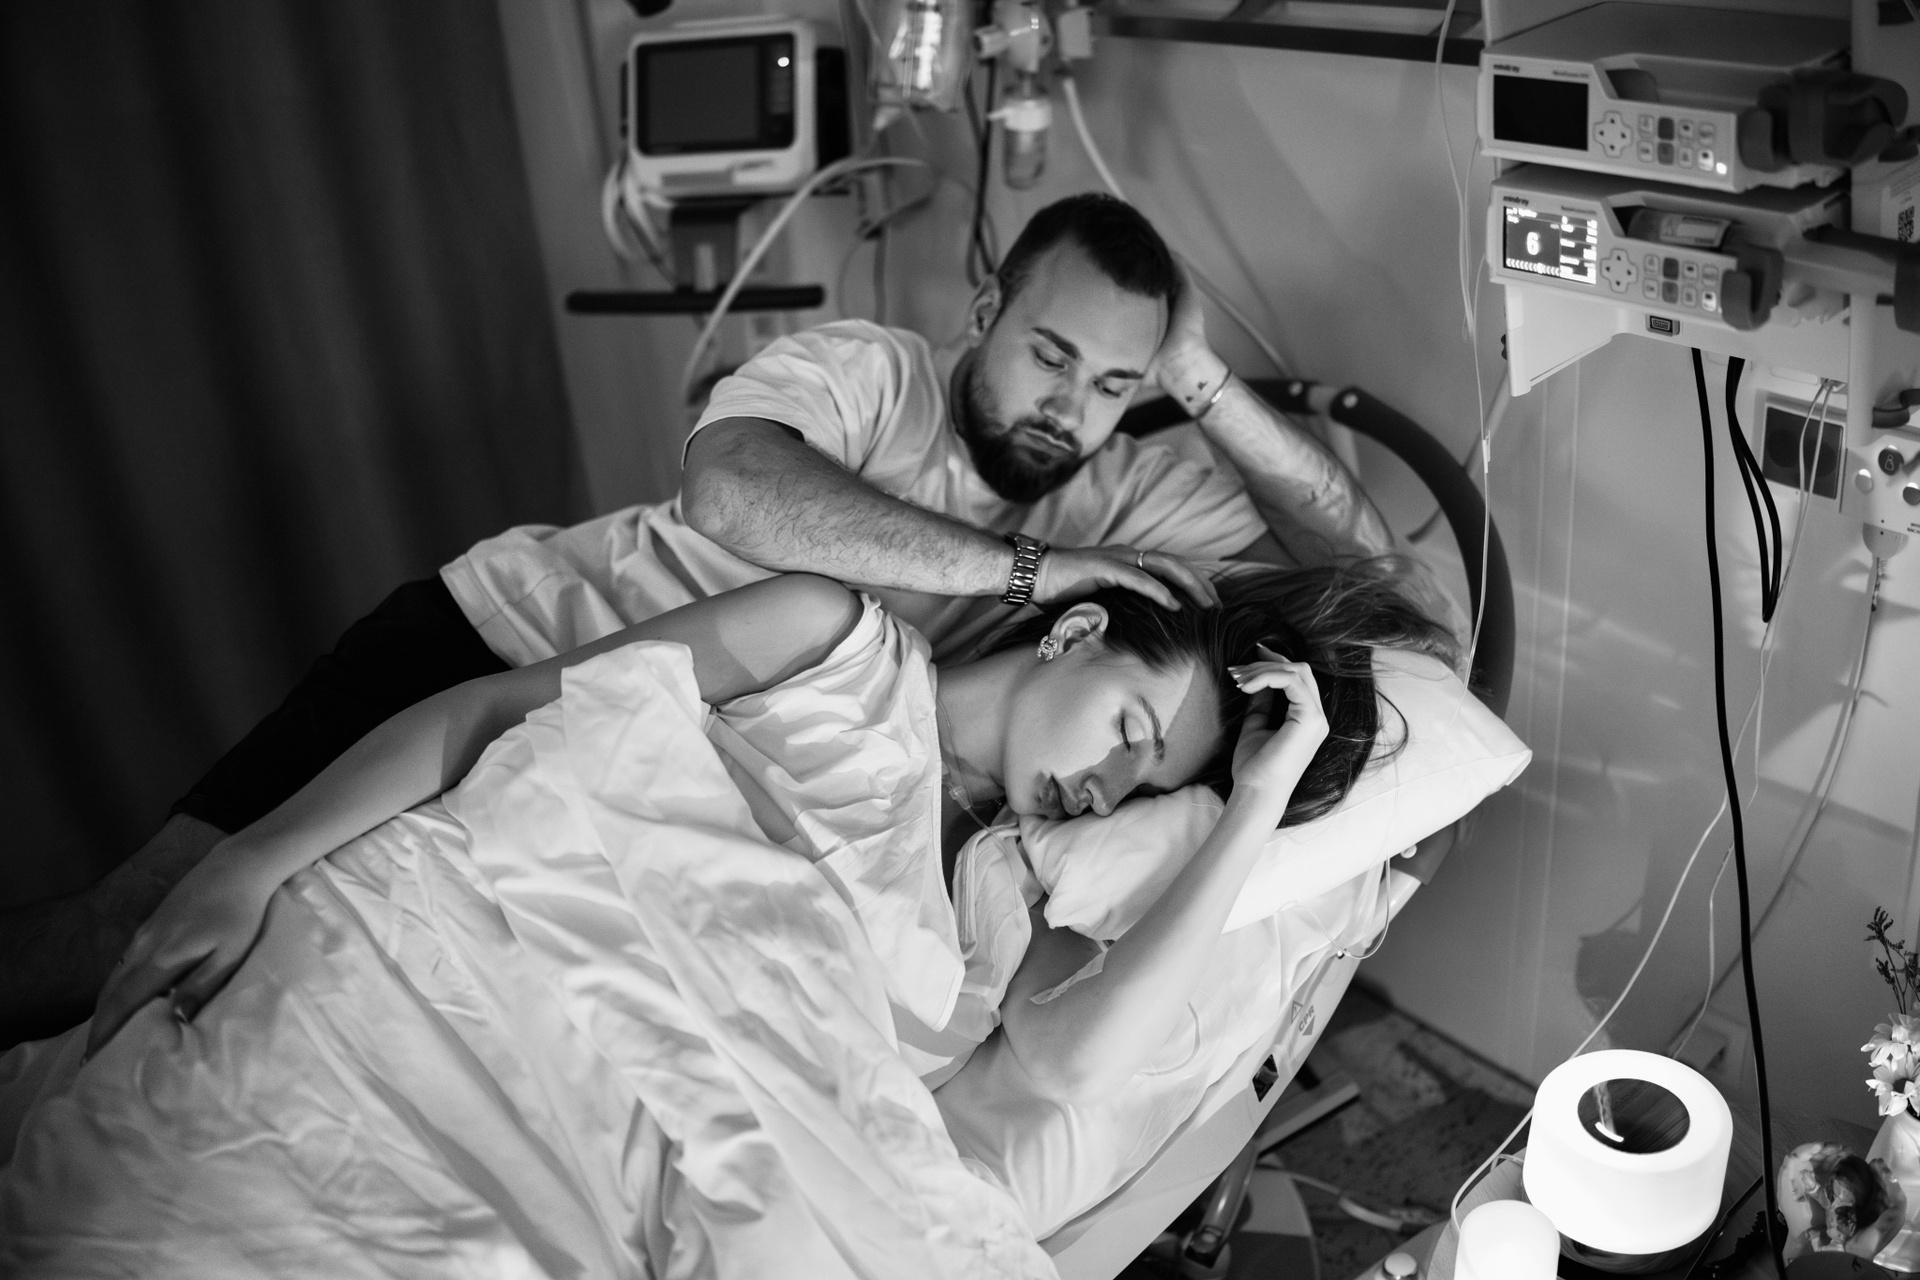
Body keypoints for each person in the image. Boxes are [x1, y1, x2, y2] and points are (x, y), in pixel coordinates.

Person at [0, 192, 1397, 1042]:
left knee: (264, 999)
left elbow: (1375, 569)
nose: (1069, 407)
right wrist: (1029, 574)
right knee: (136, 928)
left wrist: (1199, 379)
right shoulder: (876, 376)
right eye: (1050, 355)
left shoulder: (1119, 489)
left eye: (1112, 384)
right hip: (498, 645)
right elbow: (729, 488)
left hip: (620, 759)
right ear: (985, 309)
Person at [3, 565, 1449, 1275]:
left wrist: (1255, 803)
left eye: (1154, 784)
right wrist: (253, 859)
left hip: (628, 1143)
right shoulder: (831, 641)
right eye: (1131, 726)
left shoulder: (1013, 897)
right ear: (1075, 632)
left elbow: (1072, 1069)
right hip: (458, 958)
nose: (1113, 786)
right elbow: (502, 714)